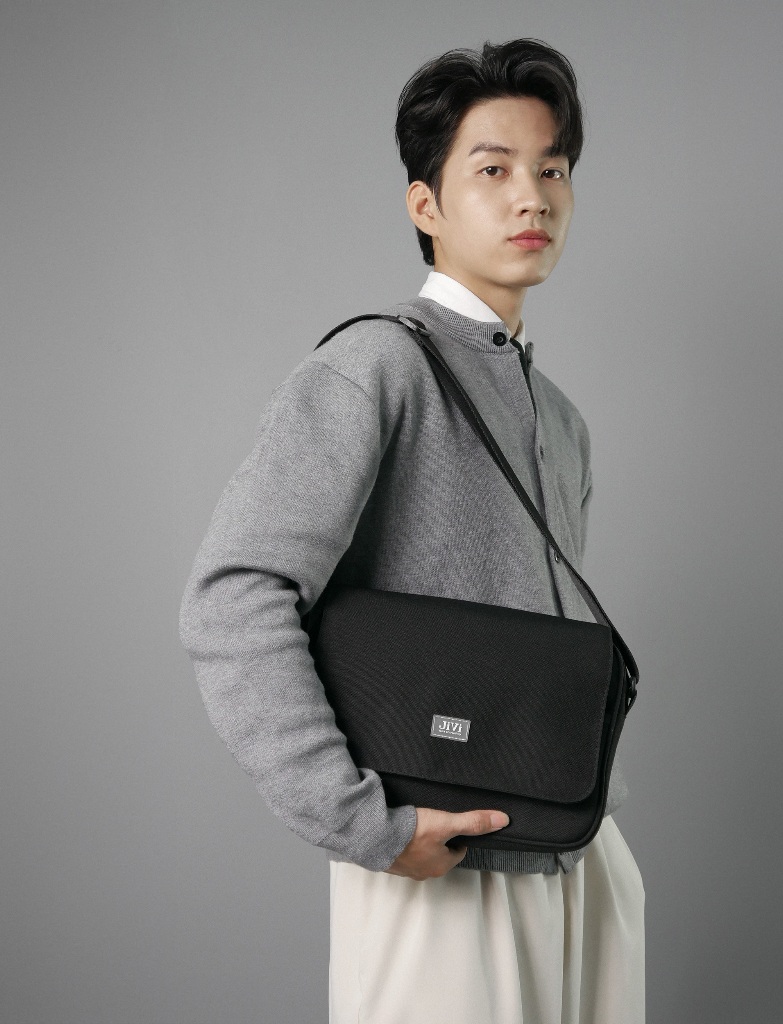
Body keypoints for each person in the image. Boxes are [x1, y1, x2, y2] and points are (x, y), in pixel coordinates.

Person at [179, 37, 645, 1024]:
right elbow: (233, 596)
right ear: (425, 205)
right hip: (446, 868)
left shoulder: (562, 421)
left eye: (553, 169)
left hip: (580, 857)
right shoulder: (374, 368)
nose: (533, 198)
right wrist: (362, 822)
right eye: (494, 170)